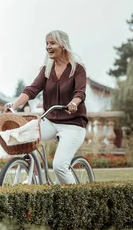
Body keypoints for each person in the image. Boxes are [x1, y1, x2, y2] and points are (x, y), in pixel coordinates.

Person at [6, 30, 88, 184]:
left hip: (73, 124)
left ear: (63, 45)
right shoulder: (46, 69)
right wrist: (14, 105)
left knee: (59, 167)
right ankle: (34, 176)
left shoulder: (77, 68)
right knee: (25, 138)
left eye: (52, 43)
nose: (48, 47)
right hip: (50, 121)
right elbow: (32, 90)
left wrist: (73, 103)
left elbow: (80, 93)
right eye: (46, 43)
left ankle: (77, 203)